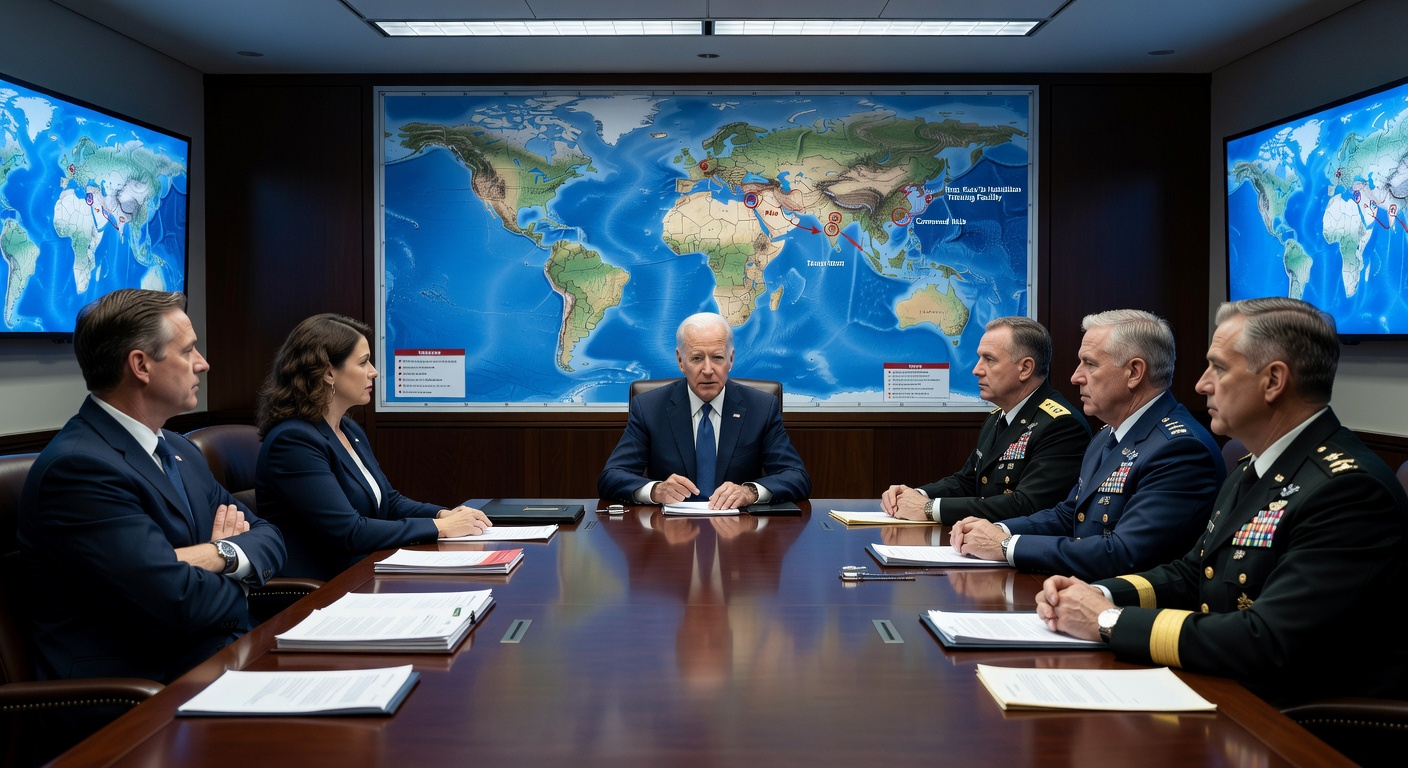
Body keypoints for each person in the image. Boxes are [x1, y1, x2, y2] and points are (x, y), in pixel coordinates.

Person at [1037, 298, 1408, 704]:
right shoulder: (1254, 465)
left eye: (1219, 367)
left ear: (1273, 381)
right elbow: (1192, 574)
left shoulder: (1348, 490)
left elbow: (1265, 639)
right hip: (1232, 689)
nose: (1201, 384)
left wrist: (1109, 620)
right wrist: (1097, 595)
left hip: (1297, 727)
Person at [18, 289, 287, 685]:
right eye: (189, 351)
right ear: (141, 366)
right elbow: (175, 602)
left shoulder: (179, 448)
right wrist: (240, 577)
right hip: (142, 695)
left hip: (219, 657)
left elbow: (270, 537)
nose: (204, 364)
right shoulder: (79, 469)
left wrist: (219, 554)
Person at [949, 309, 1224, 580]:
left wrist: (1005, 546)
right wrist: (998, 530)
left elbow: (1122, 553)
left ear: (1134, 372)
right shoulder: (1106, 435)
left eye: (1090, 364)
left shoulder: (1179, 450)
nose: (1075, 377)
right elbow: (1069, 514)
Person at [255, 314, 493, 581]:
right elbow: (349, 532)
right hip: (324, 586)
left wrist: (443, 514)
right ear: (328, 372)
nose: (374, 371)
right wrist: (439, 527)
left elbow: (389, 501)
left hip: (367, 569)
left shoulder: (349, 429)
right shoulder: (293, 441)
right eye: (362, 362)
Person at [882, 316, 1090, 525]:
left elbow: (1026, 504)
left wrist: (929, 508)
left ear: (1025, 368)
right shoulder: (998, 417)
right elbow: (967, 481)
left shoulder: (1060, 425)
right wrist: (915, 495)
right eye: (979, 358)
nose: (976, 370)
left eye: (989, 359)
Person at [598, 312, 810, 509]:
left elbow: (796, 477)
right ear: (681, 361)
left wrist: (750, 492)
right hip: (671, 534)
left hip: (739, 533)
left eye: (717, 357)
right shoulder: (649, 408)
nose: (708, 370)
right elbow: (612, 477)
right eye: (697, 358)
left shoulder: (761, 407)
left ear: (731, 359)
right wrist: (656, 490)